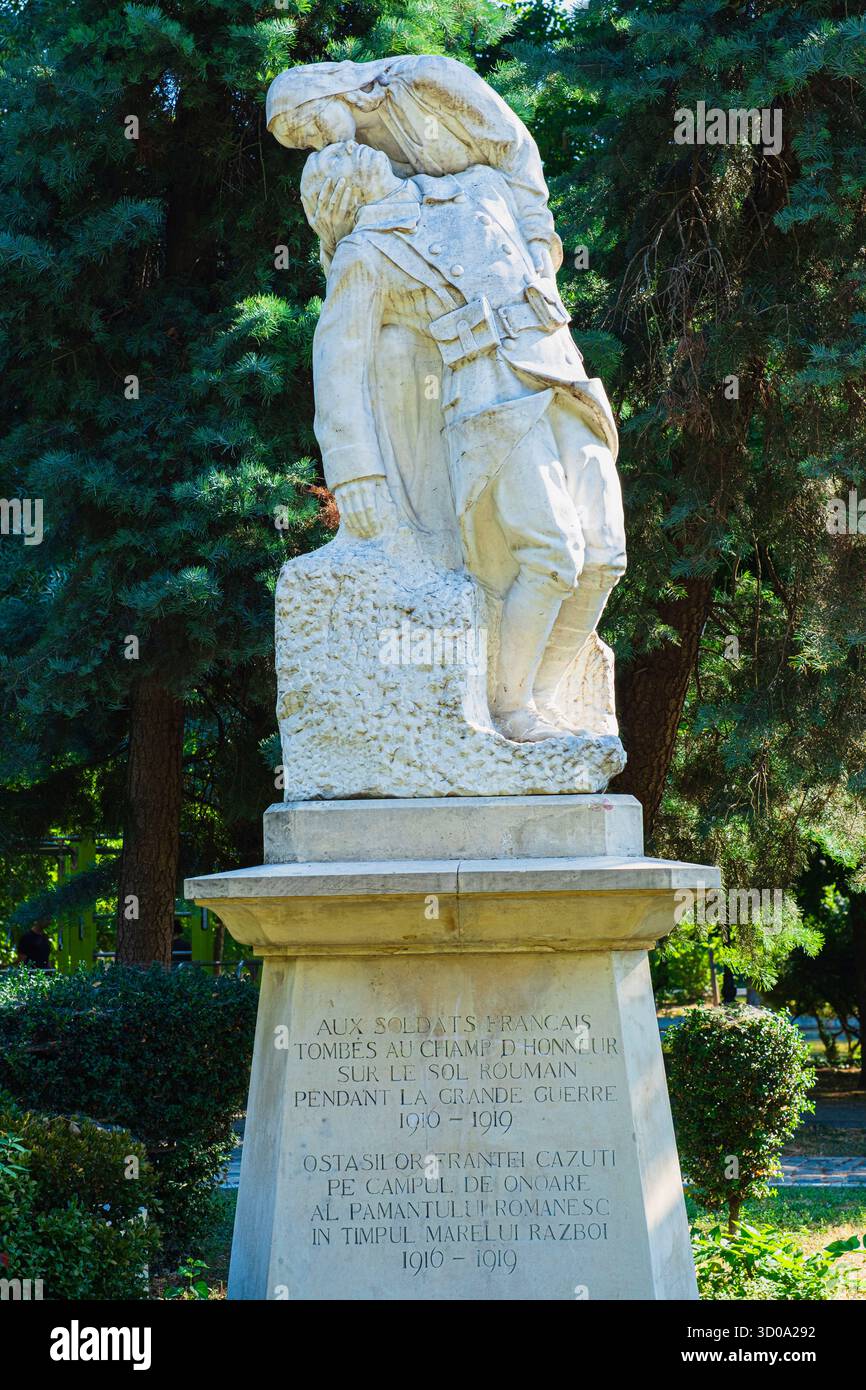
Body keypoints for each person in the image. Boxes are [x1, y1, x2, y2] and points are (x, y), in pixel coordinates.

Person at [300, 141, 626, 743]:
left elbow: (519, 164)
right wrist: (355, 471)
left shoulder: (475, 185)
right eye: (335, 161)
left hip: (563, 373)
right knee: (553, 556)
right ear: (335, 197)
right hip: (490, 397)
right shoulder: (363, 255)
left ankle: (546, 696)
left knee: (606, 558)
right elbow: (337, 362)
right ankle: (512, 709)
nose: (351, 149)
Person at [266, 56, 562, 280]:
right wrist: (333, 237)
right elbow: (358, 272)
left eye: (311, 124)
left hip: (501, 235)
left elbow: (514, 147)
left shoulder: (425, 79)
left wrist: (537, 236)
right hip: (445, 269)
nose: (320, 143)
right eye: (305, 144)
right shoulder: (356, 164)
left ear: (331, 90)